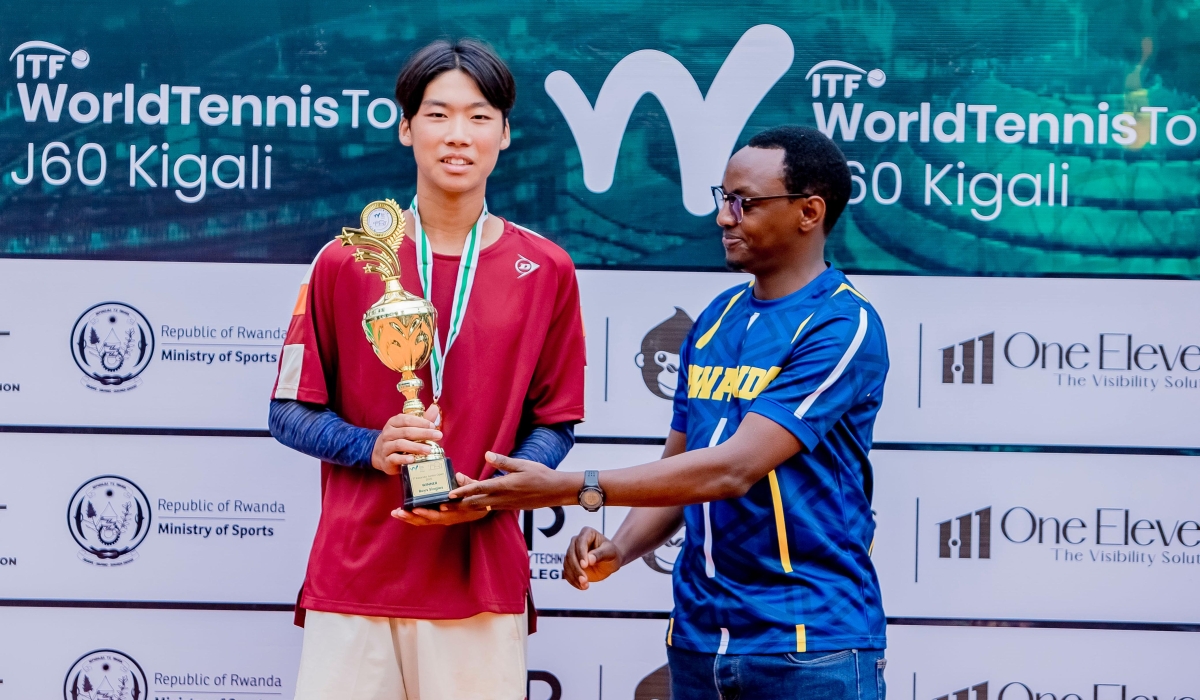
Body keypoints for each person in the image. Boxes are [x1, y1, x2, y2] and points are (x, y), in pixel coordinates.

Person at [451, 126, 890, 699]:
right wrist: (621, 548)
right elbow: (682, 472)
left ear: (809, 212)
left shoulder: (842, 324)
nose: (724, 217)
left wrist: (569, 487)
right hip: (698, 643)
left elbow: (732, 470)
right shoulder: (714, 319)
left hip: (812, 647)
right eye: (723, 198)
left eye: (744, 203)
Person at [268, 39, 586, 700]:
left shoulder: (546, 269)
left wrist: (496, 486)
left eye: (479, 117)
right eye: (438, 115)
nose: (458, 135)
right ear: (406, 127)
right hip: (356, 577)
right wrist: (370, 446)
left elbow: (555, 423)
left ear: (505, 132)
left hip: (479, 576)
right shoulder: (345, 260)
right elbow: (288, 411)